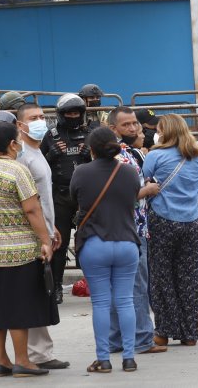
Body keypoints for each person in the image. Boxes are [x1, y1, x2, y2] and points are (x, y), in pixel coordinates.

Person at [0, 122, 56, 378]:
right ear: (11, 144)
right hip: (20, 250)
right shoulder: (18, 170)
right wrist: (46, 240)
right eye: (18, 140)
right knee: (20, 307)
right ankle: (23, 361)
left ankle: (2, 361)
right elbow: (32, 209)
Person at [71, 127, 144, 373]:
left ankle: (103, 359)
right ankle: (129, 358)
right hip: (126, 241)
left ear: (91, 149)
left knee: (101, 303)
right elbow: (134, 198)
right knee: (125, 301)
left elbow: (74, 199)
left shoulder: (81, 172)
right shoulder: (130, 172)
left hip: (94, 242)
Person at [14, 103, 71, 370]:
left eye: (41, 117)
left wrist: (51, 226)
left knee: (39, 292)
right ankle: (36, 354)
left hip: (44, 229)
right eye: (33, 118)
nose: (40, 121)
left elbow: (43, 197)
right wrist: (42, 233)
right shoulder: (21, 155)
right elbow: (27, 201)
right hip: (32, 234)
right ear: (20, 125)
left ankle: (40, 352)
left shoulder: (37, 152)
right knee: (34, 293)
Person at [142, 114, 198, 347]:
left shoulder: (155, 155)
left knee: (162, 277)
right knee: (189, 277)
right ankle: (189, 333)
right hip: (191, 221)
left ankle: (164, 331)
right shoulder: (195, 156)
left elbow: (145, 183)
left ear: (165, 131)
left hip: (162, 219)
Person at [105, 107, 162, 355]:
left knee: (118, 287)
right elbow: (121, 196)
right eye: (126, 125)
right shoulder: (120, 157)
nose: (133, 128)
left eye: (134, 123)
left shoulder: (125, 153)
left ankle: (116, 339)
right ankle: (142, 338)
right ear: (113, 129)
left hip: (126, 228)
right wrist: (147, 190)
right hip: (132, 229)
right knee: (137, 286)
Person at [41, 93, 93, 303]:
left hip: (85, 196)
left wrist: (90, 155)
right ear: (61, 114)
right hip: (60, 195)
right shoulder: (50, 136)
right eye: (69, 113)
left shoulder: (90, 134)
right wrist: (50, 155)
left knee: (88, 241)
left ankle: (93, 283)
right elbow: (38, 166)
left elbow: (105, 162)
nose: (73, 117)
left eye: (76, 113)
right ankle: (57, 287)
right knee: (59, 244)